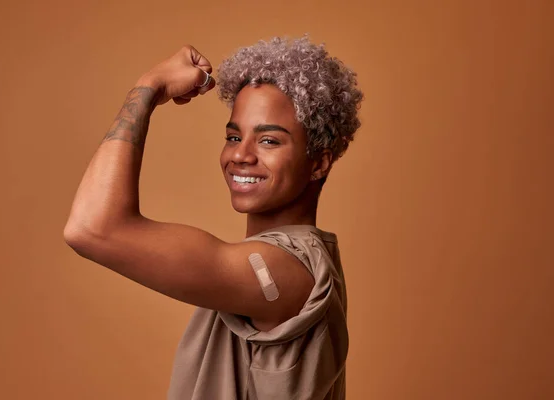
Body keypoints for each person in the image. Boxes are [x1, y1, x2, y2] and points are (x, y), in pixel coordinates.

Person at [64, 35, 363, 399]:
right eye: (234, 137)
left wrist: (148, 86)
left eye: (269, 141)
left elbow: (92, 228)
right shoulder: (292, 262)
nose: (241, 155)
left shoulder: (288, 273)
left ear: (319, 163)